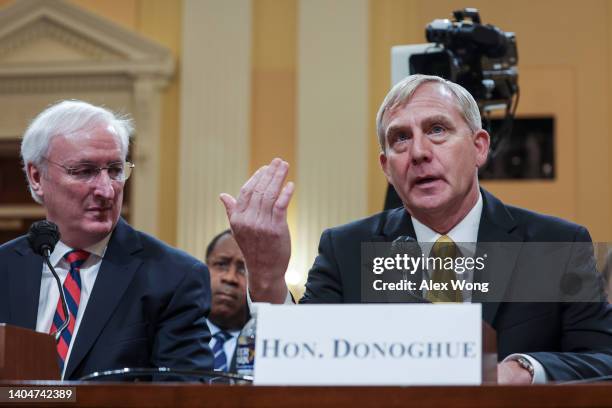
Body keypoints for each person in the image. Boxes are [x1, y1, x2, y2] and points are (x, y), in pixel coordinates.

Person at [220, 74, 612, 384]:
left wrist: (523, 371)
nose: (420, 152)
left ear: (479, 147)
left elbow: (603, 360)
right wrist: (268, 278)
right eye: (400, 139)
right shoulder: (347, 248)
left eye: (437, 129)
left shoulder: (553, 244)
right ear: (386, 167)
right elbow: (302, 366)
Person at [0, 100, 213, 380]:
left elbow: (183, 396)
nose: (107, 190)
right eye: (84, 171)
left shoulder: (174, 277)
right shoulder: (5, 268)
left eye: (114, 170)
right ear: (37, 176)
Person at [205, 230, 249, 372]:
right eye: (222, 264)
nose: (230, 278)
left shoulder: (265, 345)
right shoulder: (177, 333)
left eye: (243, 269)